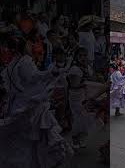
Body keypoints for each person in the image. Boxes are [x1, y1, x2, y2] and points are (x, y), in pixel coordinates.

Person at [0, 36, 73, 168]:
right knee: (37, 137)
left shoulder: (10, 66)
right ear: (23, 47)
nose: (31, 46)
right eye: (28, 44)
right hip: (30, 105)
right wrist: (51, 73)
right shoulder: (25, 61)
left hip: (16, 105)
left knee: (22, 140)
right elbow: (35, 78)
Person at [67, 47, 94, 149]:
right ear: (76, 57)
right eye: (80, 55)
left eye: (85, 55)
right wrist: (86, 83)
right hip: (75, 96)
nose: (83, 58)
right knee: (77, 118)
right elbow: (74, 85)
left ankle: (81, 138)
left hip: (85, 95)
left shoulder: (88, 67)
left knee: (85, 118)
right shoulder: (74, 69)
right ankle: (74, 140)